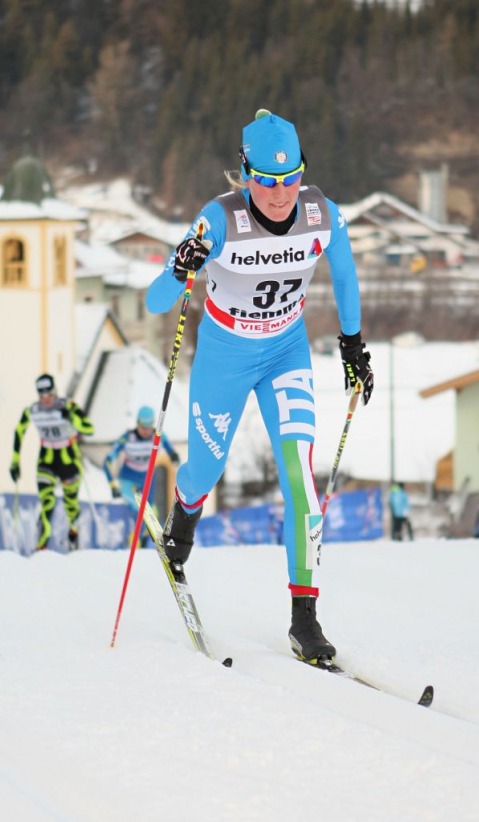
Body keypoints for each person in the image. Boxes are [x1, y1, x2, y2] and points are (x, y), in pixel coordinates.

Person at [146, 109, 374, 663]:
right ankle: (184, 514)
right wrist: (181, 268)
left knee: (301, 481)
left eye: (290, 178)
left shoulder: (322, 214)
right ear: (245, 175)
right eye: (267, 182)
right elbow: (154, 301)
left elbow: (344, 274)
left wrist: (352, 345)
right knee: (206, 466)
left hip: (285, 352)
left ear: (303, 172)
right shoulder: (218, 220)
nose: (279, 194)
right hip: (224, 354)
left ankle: (304, 618)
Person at [9, 374, 94, 552]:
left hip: (68, 459)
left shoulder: (67, 406)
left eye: (49, 394)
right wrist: (15, 461)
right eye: (42, 396)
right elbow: (19, 431)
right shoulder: (33, 410)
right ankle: (42, 545)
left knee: (71, 505)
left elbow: (89, 428)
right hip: (46, 458)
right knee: (47, 502)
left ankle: (73, 534)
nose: (46, 399)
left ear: (55, 391)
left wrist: (71, 417)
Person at [104, 405, 180, 540]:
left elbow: (172, 453)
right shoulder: (127, 438)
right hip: (128, 479)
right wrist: (112, 485)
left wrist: (174, 458)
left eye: (149, 427)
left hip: (147, 478)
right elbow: (107, 461)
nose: (145, 431)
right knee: (141, 509)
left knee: (151, 514)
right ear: (137, 424)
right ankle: (135, 542)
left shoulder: (158, 436)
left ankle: (145, 543)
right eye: (142, 427)